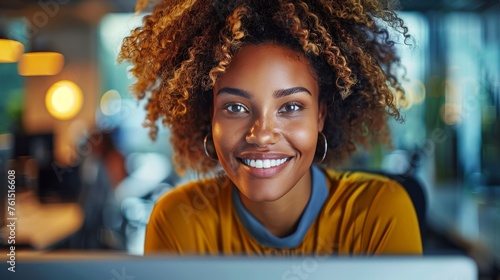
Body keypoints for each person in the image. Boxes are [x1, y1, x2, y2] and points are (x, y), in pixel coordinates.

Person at [119, 0, 422, 255]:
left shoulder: (379, 213)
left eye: (290, 107)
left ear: (320, 115)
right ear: (211, 117)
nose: (262, 135)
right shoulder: (178, 220)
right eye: (235, 108)